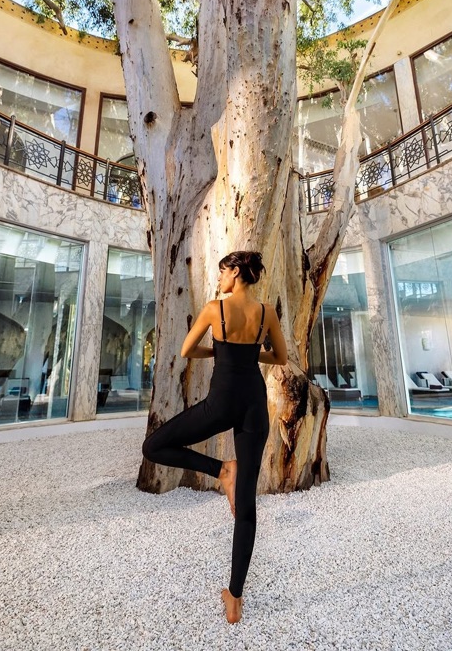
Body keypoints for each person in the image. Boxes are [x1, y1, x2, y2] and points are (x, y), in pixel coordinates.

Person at [142, 250, 288, 624]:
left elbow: (187, 350)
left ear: (236, 272)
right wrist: (251, 353)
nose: (219, 278)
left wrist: (220, 351)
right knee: (247, 507)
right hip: (254, 406)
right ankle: (235, 596)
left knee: (155, 446)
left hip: (219, 405)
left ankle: (221, 468)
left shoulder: (214, 309)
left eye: (223, 271)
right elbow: (281, 358)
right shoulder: (267, 313)